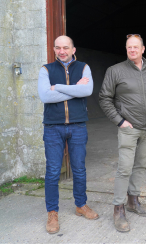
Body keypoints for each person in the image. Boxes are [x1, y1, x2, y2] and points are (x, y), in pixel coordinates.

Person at [99, 34, 146, 232]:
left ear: (143, 49)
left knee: (141, 166)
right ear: (126, 49)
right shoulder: (115, 71)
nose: (133, 50)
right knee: (124, 168)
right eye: (129, 47)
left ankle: (133, 201)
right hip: (129, 128)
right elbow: (104, 98)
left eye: (136, 47)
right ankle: (118, 209)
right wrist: (119, 121)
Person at [38, 35, 98, 234]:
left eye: (65, 47)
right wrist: (76, 89)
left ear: (73, 49)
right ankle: (52, 212)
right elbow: (45, 95)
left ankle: (81, 205)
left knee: (79, 169)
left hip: (78, 125)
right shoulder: (46, 69)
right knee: (53, 171)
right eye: (58, 48)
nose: (61, 51)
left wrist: (59, 88)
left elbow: (87, 90)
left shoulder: (83, 67)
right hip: (53, 127)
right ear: (54, 49)